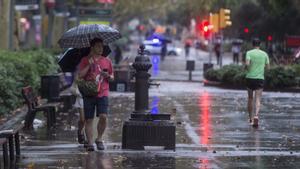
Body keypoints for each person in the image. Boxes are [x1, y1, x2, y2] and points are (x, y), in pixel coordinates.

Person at [79, 38, 114, 151]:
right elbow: (80, 75)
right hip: (89, 93)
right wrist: (89, 65)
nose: (101, 48)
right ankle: (90, 143)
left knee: (103, 116)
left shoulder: (107, 61)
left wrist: (108, 76)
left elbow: (112, 77)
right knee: (89, 119)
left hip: (103, 92)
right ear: (92, 47)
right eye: (98, 46)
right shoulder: (85, 60)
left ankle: (99, 139)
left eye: (102, 46)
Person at [245, 38, 270, 127]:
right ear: (260, 45)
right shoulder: (264, 54)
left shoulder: (249, 53)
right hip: (260, 78)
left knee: (250, 98)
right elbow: (268, 67)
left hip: (249, 78)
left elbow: (247, 64)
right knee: (258, 98)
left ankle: (250, 118)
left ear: (252, 44)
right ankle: (256, 115)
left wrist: (247, 68)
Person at [70, 70, 86, 144]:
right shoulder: (80, 72)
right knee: (82, 119)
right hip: (81, 98)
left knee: (88, 119)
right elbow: (72, 88)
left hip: (90, 97)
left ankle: (86, 136)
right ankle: (80, 131)